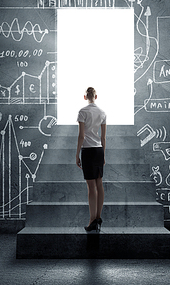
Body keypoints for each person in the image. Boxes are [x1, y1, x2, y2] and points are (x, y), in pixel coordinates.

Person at [75, 87, 107, 232]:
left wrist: (77, 154)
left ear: (85, 97)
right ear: (96, 96)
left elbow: (81, 135)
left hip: (87, 150)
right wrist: (104, 155)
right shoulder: (102, 112)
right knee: (99, 184)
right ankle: (98, 217)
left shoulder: (82, 112)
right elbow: (103, 137)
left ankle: (92, 220)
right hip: (99, 150)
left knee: (91, 187)